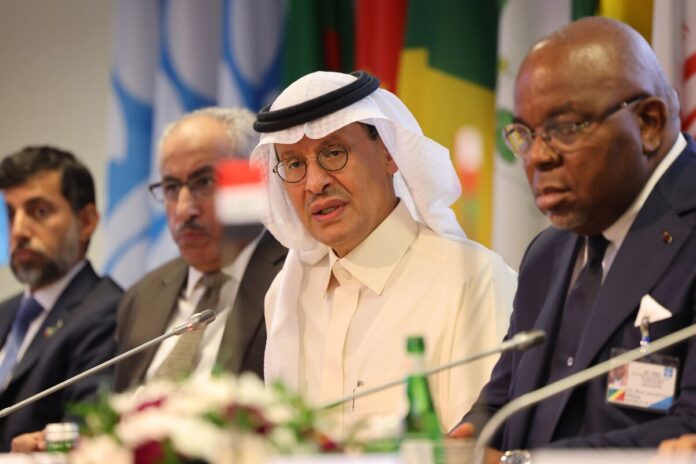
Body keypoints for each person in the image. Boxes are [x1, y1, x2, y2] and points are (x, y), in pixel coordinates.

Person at [451, 17, 696, 455]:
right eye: (524, 134)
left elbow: (689, 430)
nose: (537, 157)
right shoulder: (548, 251)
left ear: (649, 123)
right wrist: (466, 441)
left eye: (564, 128)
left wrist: (523, 461)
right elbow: (504, 400)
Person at [251, 70, 517, 435]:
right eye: (295, 164)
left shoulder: (472, 281)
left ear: (390, 152)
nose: (314, 183)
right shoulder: (285, 294)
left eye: (333, 153)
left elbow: (477, 446)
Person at [112, 107, 287, 392]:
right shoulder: (142, 296)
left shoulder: (295, 277)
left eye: (204, 182)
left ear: (251, 182)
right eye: (171, 187)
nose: (184, 209)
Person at [0, 146, 122, 451]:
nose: (19, 230)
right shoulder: (5, 312)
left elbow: (86, 432)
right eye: (11, 214)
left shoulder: (107, 311)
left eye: (39, 211)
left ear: (87, 222)